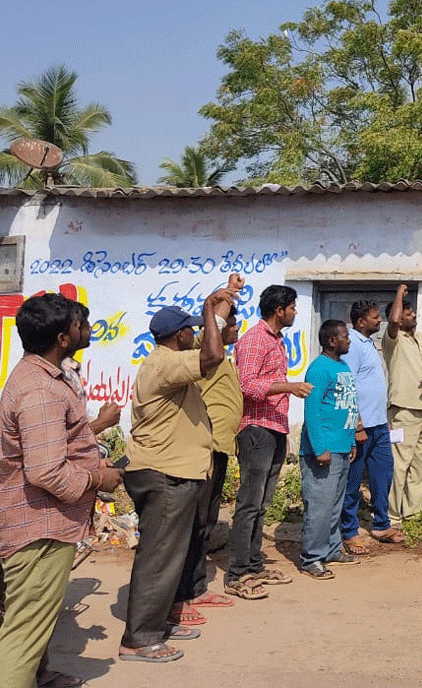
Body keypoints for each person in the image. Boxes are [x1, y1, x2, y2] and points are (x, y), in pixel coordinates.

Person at [0, 294, 122, 688]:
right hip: (38, 525)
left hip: (43, 521)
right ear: (63, 338)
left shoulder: (45, 377)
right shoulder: (41, 391)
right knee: (24, 634)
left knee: (29, 628)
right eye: (82, 324)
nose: (88, 330)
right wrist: (99, 480)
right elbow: (46, 471)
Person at [120, 286, 234, 663]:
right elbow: (213, 355)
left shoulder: (169, 361)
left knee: (171, 555)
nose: (195, 335)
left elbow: (210, 348)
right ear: (180, 334)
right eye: (191, 329)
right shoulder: (165, 363)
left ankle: (162, 619)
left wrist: (216, 309)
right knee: (159, 557)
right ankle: (140, 638)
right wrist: (207, 308)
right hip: (163, 473)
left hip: (173, 471)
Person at [226, 284, 312, 599]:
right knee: (249, 503)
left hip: (273, 428)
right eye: (292, 308)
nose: (294, 313)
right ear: (280, 310)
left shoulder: (276, 341)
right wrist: (288, 387)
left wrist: (283, 430)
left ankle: (253, 563)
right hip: (255, 429)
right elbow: (247, 385)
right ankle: (237, 573)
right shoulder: (253, 340)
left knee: (261, 503)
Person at [172, 280, 244, 624]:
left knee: (206, 523)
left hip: (219, 449)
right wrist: (225, 297)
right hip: (203, 447)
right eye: (230, 325)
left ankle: (197, 587)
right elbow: (211, 325)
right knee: (193, 523)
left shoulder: (224, 360)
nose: (233, 330)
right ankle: (181, 595)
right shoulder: (203, 352)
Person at [299, 319, 361, 579]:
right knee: (320, 505)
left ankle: (332, 549)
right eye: (345, 336)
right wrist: (319, 448)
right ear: (332, 340)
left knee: (335, 504)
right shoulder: (319, 369)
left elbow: (349, 406)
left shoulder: (343, 366)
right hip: (323, 451)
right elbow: (311, 411)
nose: (349, 340)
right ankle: (311, 558)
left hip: (342, 446)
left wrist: (352, 441)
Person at [341, 299, 399, 549]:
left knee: (383, 474)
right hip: (360, 426)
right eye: (375, 317)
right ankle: (349, 530)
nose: (379, 321)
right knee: (353, 481)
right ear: (361, 321)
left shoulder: (368, 344)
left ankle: (381, 524)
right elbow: (348, 384)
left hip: (378, 425)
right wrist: (357, 424)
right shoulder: (352, 345)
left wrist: (381, 421)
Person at [384, 284, 422, 528]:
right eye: (408, 313)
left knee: (420, 464)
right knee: (399, 464)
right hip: (403, 410)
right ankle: (392, 515)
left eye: (413, 312)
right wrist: (399, 293)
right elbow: (394, 322)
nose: (414, 315)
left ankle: (412, 513)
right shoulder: (392, 340)